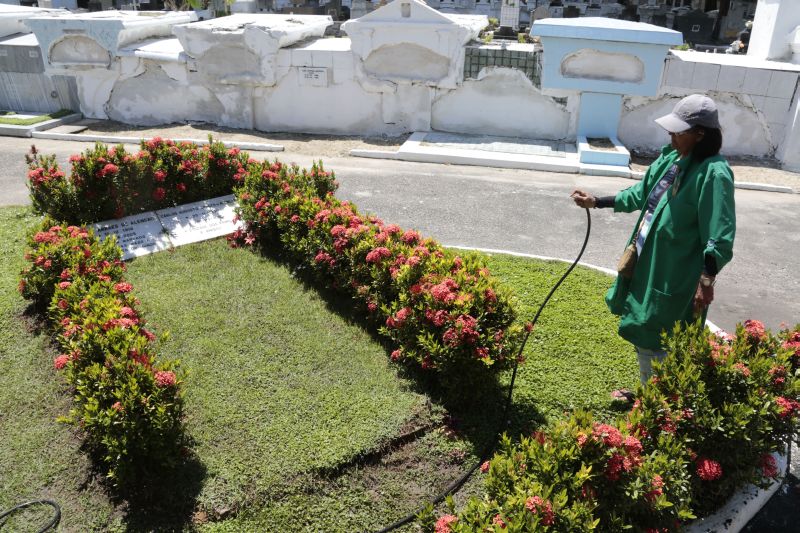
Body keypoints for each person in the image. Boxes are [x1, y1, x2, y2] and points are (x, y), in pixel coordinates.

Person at [571, 94, 736, 399]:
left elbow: (720, 233)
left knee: (660, 335)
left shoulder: (713, 173)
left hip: (676, 275)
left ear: (700, 134)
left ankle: (657, 408)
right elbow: (640, 194)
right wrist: (598, 201)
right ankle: (652, 395)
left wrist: (706, 281)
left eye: (679, 131)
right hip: (648, 264)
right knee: (646, 329)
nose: (671, 135)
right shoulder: (673, 160)